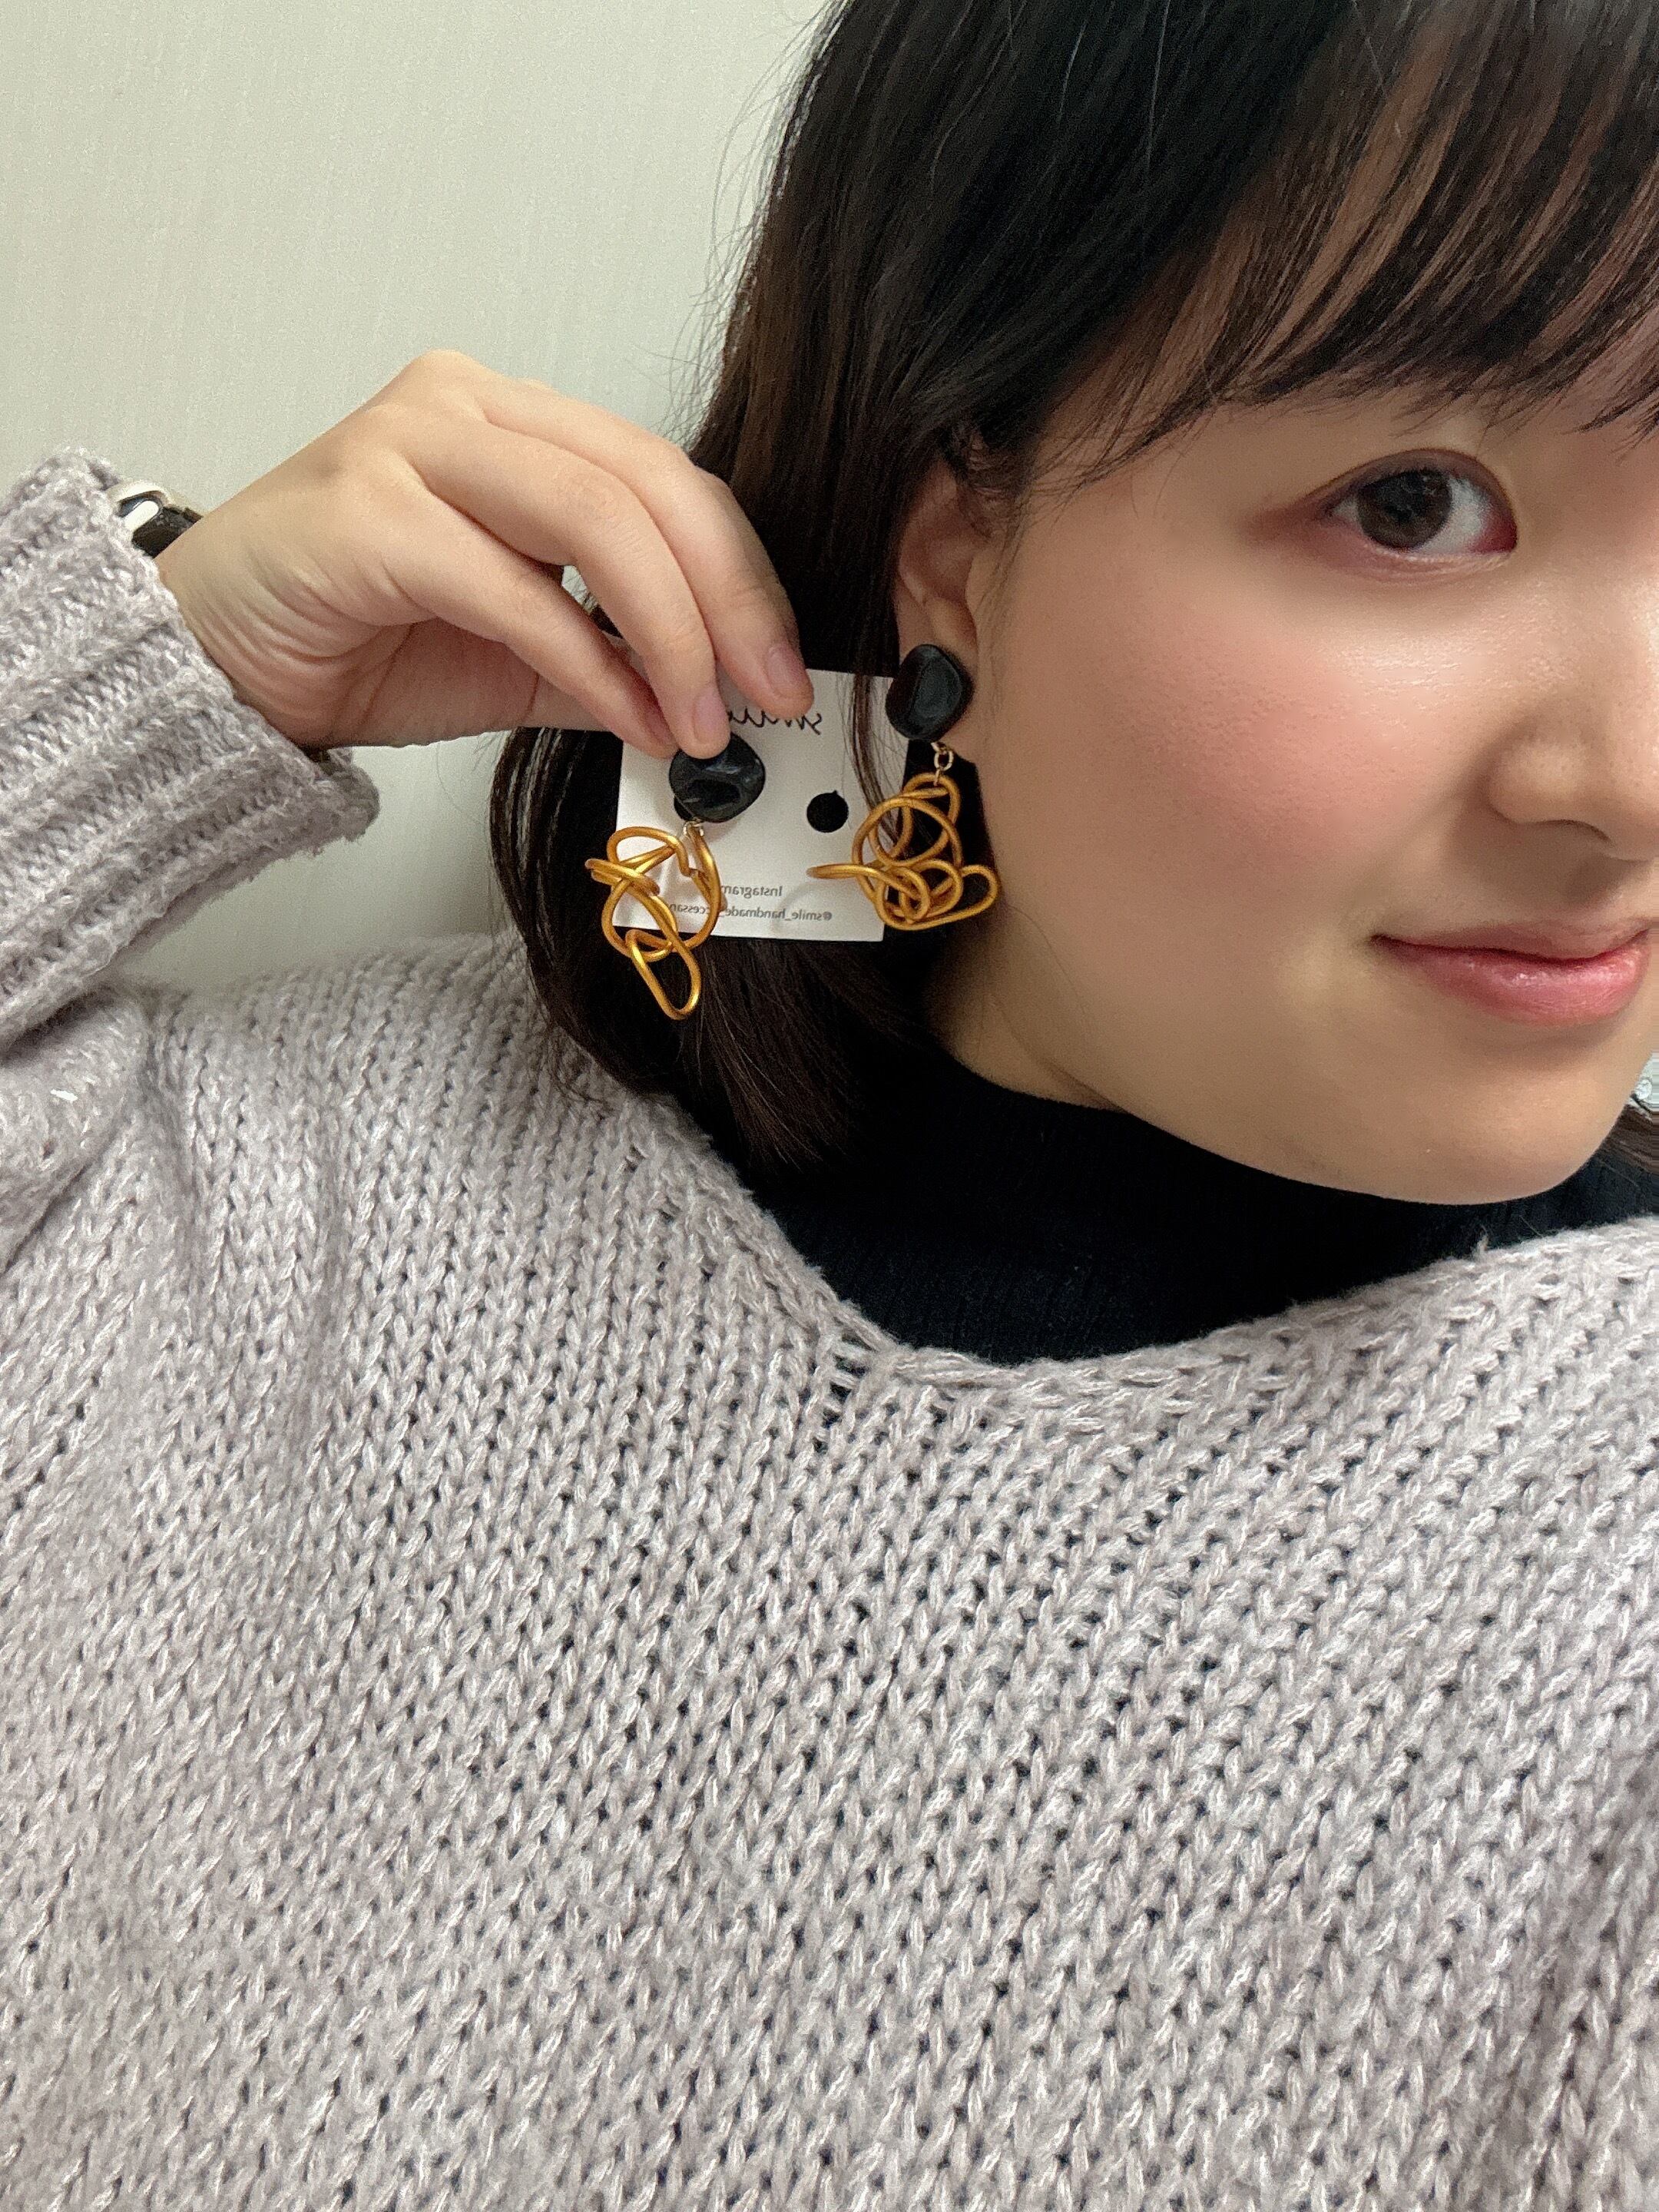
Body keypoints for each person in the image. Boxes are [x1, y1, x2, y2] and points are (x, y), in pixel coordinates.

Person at [2, 1, 1657, 2204]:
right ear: (951, 540)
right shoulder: (232, 1211)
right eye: (1414, 505)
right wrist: (148, 674)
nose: (1626, 782)